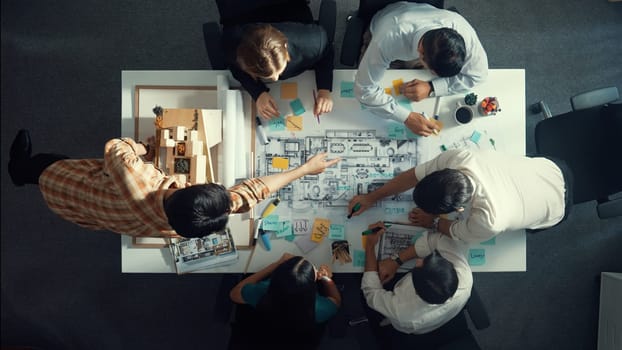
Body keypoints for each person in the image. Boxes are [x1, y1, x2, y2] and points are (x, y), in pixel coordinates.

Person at [7, 129, 341, 238]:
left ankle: (20, 172)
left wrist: (144, 148)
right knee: (46, 167)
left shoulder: (136, 176)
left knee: (43, 166)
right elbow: (250, 194)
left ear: (185, 186)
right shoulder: (179, 226)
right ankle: (21, 173)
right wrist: (304, 169)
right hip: (87, 210)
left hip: (66, 187)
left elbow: (116, 148)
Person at [348, 149, 571, 244]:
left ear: (456, 212)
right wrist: (372, 197)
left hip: (558, 207)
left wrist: (433, 222)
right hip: (549, 167)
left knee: (533, 227)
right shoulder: (459, 158)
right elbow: (412, 176)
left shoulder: (489, 221)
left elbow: (454, 230)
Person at [355, 2, 488, 136]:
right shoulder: (387, 40)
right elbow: (364, 90)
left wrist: (432, 87)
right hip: (386, 33)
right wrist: (407, 118)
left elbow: (479, 75)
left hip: (417, 42)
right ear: (421, 55)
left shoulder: (461, 29)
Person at [361, 221, 472, 341]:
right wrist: (396, 261)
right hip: (442, 317)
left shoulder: (402, 313)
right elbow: (434, 240)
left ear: (416, 289)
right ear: (449, 265)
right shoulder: (464, 274)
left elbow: (371, 292)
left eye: (419, 265)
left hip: (408, 326)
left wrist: (370, 245)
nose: (419, 260)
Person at [222, 5, 334, 119]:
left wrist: (324, 89)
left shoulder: (313, 41)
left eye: (278, 71)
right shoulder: (233, 44)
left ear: (285, 48)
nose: (275, 79)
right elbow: (234, 66)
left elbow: (326, 52)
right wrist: (258, 92)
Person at [229, 253, 341, 349]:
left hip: (265, 333)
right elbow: (336, 300)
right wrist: (327, 279)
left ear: (274, 278)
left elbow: (234, 294)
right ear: (312, 287)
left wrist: (277, 264)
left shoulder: (262, 291)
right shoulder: (320, 308)